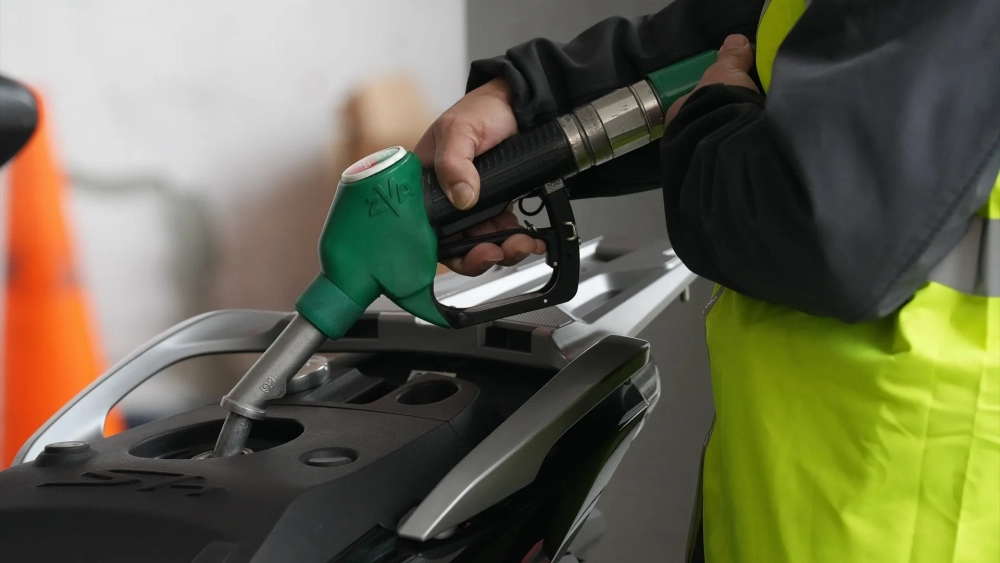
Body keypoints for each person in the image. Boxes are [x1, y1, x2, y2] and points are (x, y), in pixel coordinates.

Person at [414, 0, 1000, 562]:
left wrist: (706, 115)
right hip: (821, 485)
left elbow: (824, 228)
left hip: (908, 507)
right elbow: (776, 29)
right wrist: (526, 102)